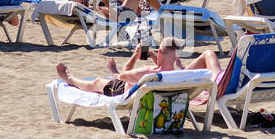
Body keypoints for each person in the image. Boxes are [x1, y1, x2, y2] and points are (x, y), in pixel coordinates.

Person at [53, 37, 222, 98]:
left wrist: (135, 55)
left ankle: (69, 78)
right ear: (176, 57)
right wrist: (160, 60)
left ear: (160, 54)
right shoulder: (177, 76)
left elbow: (125, 76)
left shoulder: (149, 72)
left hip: (122, 90)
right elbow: (165, 68)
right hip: (163, 88)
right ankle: (113, 72)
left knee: (97, 82)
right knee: (119, 76)